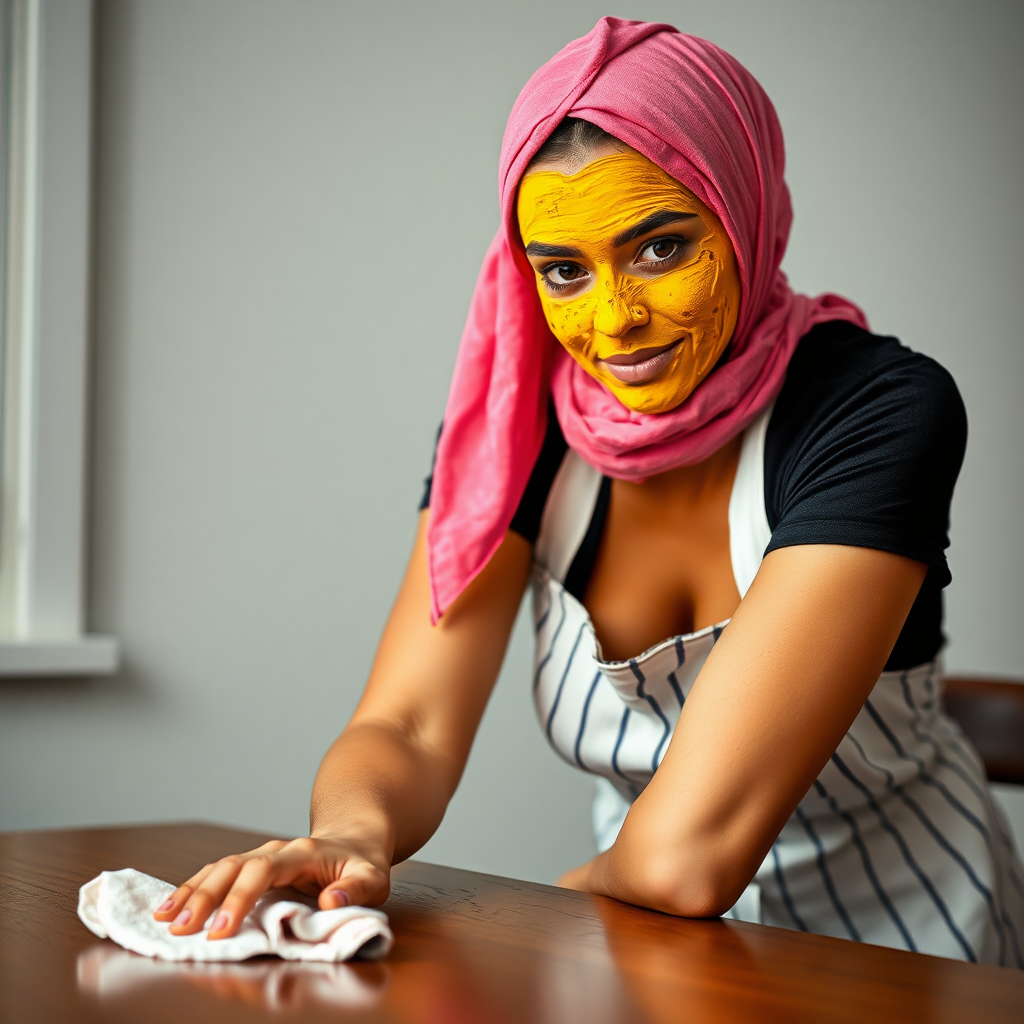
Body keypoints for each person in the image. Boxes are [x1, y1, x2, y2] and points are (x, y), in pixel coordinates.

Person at [154, 17, 1024, 967]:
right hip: (649, 955)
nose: (615, 324)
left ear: (744, 215)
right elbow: (404, 724)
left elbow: (686, 860)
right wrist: (354, 836)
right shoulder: (516, 427)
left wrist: (502, 930)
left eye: (658, 248)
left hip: (918, 943)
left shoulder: (879, 409)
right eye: (564, 270)